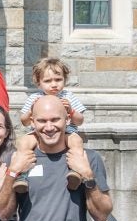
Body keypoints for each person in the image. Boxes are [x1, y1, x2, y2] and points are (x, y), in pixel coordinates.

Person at [14, 56, 90, 193]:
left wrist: (71, 111)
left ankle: (75, 171)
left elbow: (80, 120)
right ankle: (22, 176)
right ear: (39, 83)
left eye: (58, 80)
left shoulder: (68, 96)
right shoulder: (34, 98)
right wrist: (31, 109)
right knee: (24, 142)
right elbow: (24, 121)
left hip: (66, 133)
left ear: (65, 80)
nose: (54, 84)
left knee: (76, 141)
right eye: (48, 81)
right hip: (39, 134)